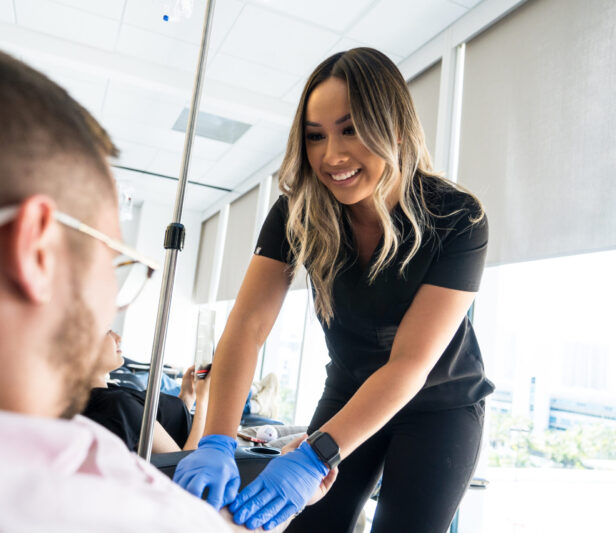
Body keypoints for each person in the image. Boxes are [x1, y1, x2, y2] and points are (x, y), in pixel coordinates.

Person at [0, 33, 335, 533]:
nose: (111, 300)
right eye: (113, 260)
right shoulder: (50, 508)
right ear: (37, 251)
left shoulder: (55, 439)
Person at [173, 47, 493, 533]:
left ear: (395, 128)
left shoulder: (457, 218)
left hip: (439, 404)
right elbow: (247, 326)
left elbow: (409, 362)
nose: (332, 155)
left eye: (351, 129)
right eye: (315, 136)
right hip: (349, 387)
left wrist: (313, 457)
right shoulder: (296, 213)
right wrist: (215, 439)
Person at [83, 330, 211, 453]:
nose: (117, 337)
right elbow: (182, 463)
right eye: (107, 332)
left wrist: (187, 396)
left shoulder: (107, 395)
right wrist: (203, 401)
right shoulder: (116, 404)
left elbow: (165, 435)